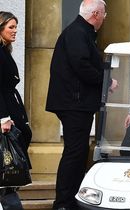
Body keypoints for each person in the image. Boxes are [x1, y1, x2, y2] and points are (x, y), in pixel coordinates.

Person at [45, 0, 117, 209]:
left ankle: (70, 199)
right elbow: (81, 65)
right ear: (95, 14)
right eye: (104, 14)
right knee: (74, 152)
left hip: (75, 103)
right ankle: (64, 203)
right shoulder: (78, 32)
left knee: (77, 152)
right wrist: (106, 81)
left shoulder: (80, 32)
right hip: (74, 103)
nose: (105, 18)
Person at [0, 11, 32, 206]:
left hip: (12, 110)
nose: (15, 31)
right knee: (7, 163)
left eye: (16, 27)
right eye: (11, 27)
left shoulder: (5, 50)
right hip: (5, 115)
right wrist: (3, 117)